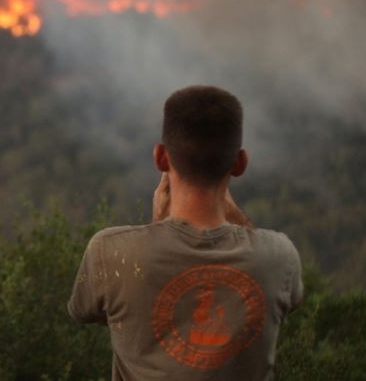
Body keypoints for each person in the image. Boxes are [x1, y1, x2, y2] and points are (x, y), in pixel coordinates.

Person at [67, 85, 303, 381]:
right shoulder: (280, 257)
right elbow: (278, 295)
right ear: (240, 162)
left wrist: (158, 225)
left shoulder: (111, 252)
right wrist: (233, 216)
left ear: (160, 157)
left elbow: (86, 312)